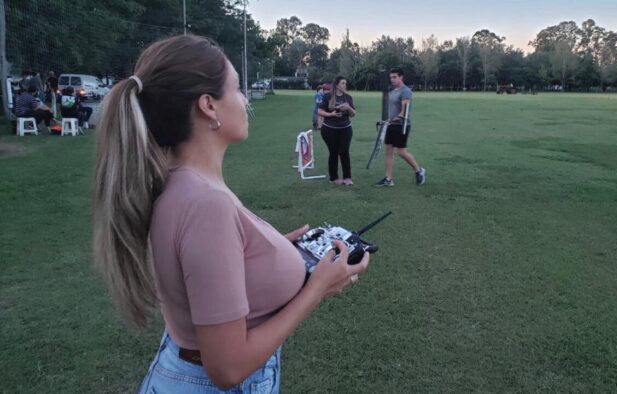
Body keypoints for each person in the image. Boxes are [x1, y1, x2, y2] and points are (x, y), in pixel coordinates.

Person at [92, 35, 369, 393]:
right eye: (237, 89)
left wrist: (267, 253)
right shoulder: (205, 203)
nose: (243, 101)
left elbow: (200, 270)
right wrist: (316, 289)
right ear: (208, 105)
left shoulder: (180, 184)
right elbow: (226, 367)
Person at [374, 67, 426, 187]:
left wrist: (392, 120)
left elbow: (404, 112)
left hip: (401, 125)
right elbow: (389, 110)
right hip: (390, 125)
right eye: (391, 77)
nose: (392, 79)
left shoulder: (405, 91)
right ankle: (388, 179)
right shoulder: (392, 91)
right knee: (389, 151)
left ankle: (419, 171)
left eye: (394, 77)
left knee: (401, 152)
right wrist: (385, 120)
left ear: (401, 77)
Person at [316, 76, 356, 185]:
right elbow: (319, 111)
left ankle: (347, 177)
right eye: (343, 83)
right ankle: (333, 178)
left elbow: (353, 114)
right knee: (333, 153)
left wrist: (348, 108)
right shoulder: (328, 96)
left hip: (346, 129)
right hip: (329, 130)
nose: (345, 85)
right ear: (337, 85)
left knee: (344, 152)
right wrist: (331, 114)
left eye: (345, 83)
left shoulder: (348, 97)